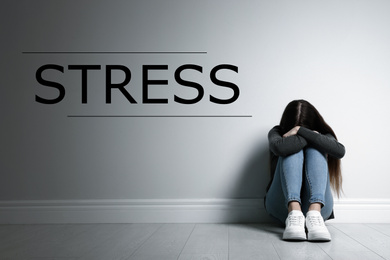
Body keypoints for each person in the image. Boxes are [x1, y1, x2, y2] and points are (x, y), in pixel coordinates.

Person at [264, 99, 345, 241]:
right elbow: (280, 148)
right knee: (290, 148)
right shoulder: (277, 132)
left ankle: (314, 213)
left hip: (319, 210)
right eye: (295, 129)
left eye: (304, 129)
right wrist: (309, 136)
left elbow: (340, 151)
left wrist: (300, 132)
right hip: (282, 207)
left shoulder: (326, 136)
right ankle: (294, 212)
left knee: (316, 148)